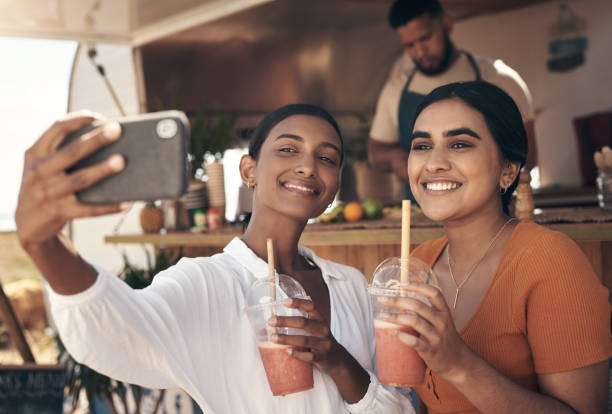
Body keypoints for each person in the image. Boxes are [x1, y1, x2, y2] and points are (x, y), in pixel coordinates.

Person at [15, 104, 414, 413]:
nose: (308, 165)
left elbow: (398, 408)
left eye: (327, 158)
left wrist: (338, 361)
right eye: (288, 149)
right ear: (249, 170)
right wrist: (43, 244)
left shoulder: (352, 285)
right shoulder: (206, 283)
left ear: (336, 184)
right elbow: (120, 328)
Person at [378, 81, 610, 414]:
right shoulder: (418, 263)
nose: (434, 163)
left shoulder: (550, 261)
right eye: (422, 145)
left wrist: (459, 364)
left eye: (459, 144)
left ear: (508, 170)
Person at [368, 0, 537, 201]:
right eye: (409, 45)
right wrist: (394, 157)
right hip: (418, 221)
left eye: (426, 38)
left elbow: (528, 156)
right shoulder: (395, 89)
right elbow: (374, 153)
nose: (420, 52)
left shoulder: (500, 80)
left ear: (447, 24)